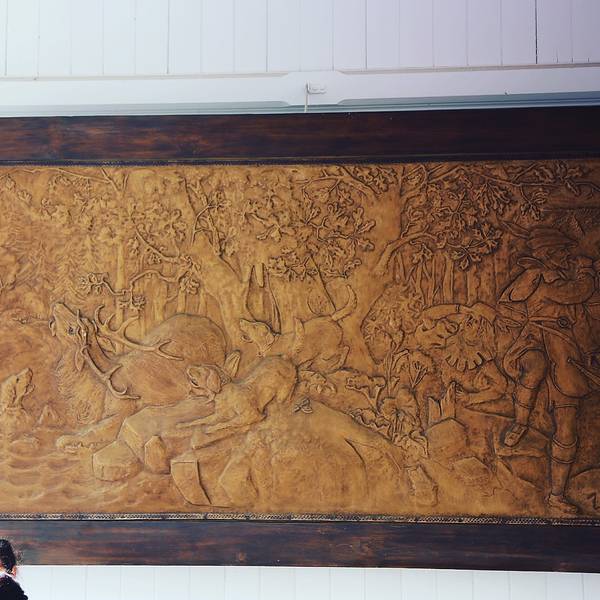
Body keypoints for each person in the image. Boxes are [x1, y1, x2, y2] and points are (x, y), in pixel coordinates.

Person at [499, 227, 598, 516]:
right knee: (534, 367)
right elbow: (511, 300)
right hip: (537, 340)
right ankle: (520, 423)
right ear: (548, 254)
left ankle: (556, 496)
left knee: (567, 429)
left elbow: (589, 312)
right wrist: (586, 272)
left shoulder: (571, 280)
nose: (566, 257)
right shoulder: (540, 277)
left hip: (567, 356)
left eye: (566, 252)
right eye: (561, 252)